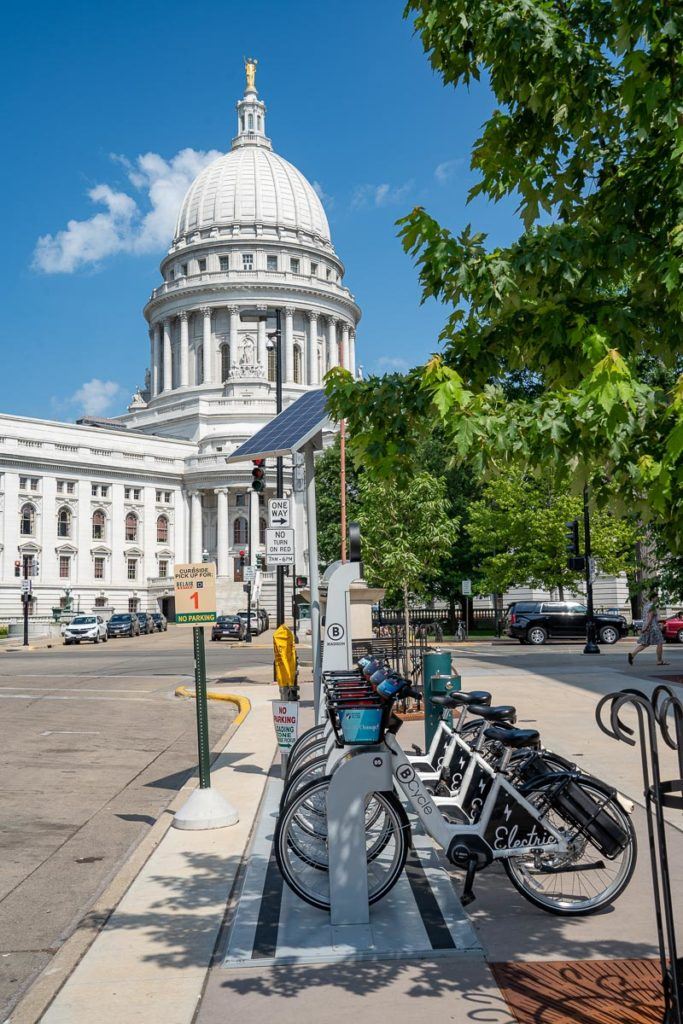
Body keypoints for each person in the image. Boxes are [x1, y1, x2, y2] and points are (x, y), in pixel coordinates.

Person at [628, 590, 668, 666]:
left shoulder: (646, 606)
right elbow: (650, 618)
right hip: (653, 628)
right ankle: (659, 661)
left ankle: (632, 655)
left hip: (647, 626)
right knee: (660, 642)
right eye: (656, 598)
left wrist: (645, 627)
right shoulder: (652, 606)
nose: (657, 599)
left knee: (645, 644)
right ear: (652, 598)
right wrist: (646, 627)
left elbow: (647, 618)